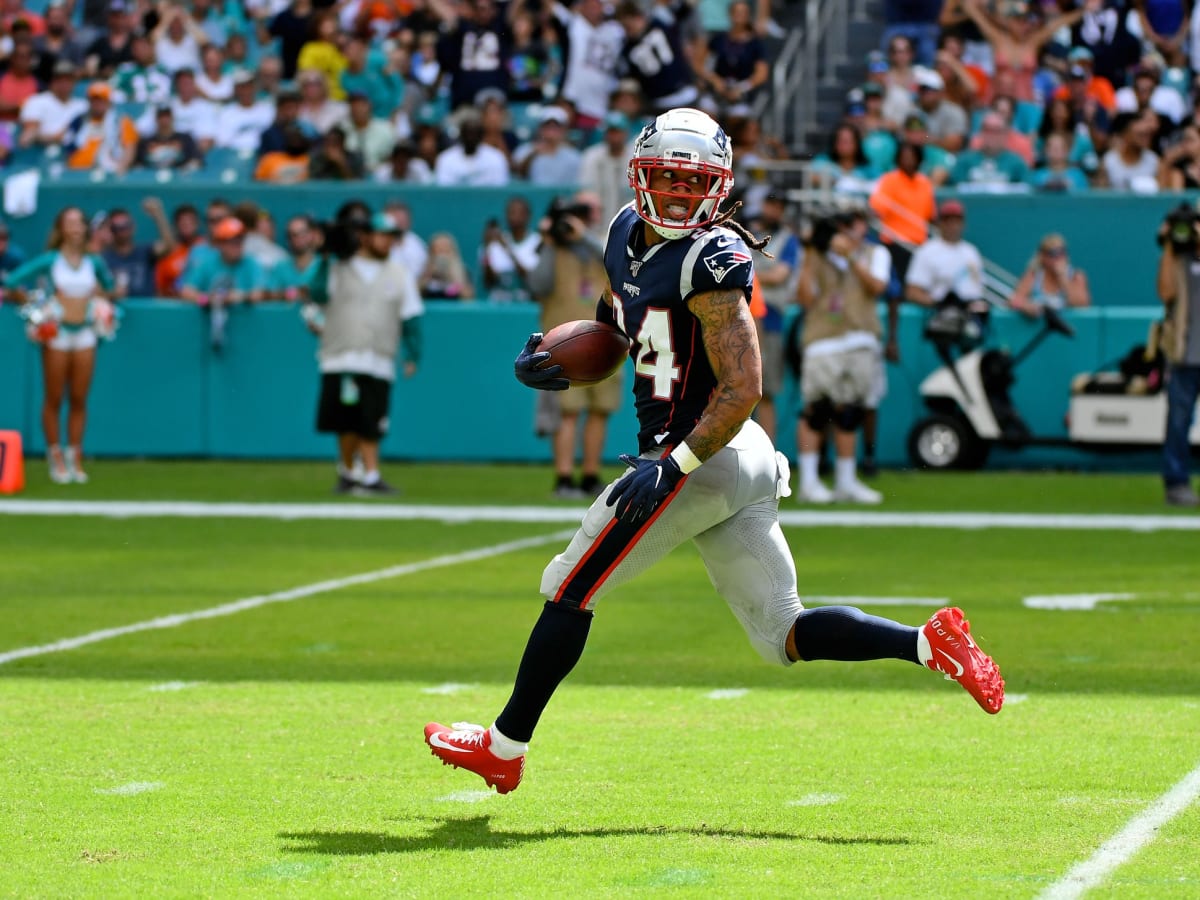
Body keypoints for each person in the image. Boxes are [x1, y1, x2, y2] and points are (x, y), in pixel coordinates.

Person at [423, 108, 1006, 795]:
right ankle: (926, 643)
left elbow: (743, 387)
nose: (674, 195)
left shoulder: (713, 257)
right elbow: (628, 329)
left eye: (689, 181)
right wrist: (560, 357)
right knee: (781, 634)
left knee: (568, 587)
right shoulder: (620, 233)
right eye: (664, 178)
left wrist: (672, 464)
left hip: (700, 456)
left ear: (718, 186)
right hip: (735, 461)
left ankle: (503, 747)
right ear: (641, 176)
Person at [305, 211, 422, 496]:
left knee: (372, 420)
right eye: (382, 235)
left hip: (378, 357)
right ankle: (349, 471)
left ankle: (370, 474)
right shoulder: (339, 267)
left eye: (391, 237)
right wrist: (324, 258)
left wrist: (412, 353)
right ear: (367, 236)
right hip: (341, 355)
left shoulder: (399, 273)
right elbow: (317, 293)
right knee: (345, 422)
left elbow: (411, 317)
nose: (386, 242)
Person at [4, 206, 116, 484]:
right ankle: (54, 454)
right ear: (61, 228)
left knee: (79, 397)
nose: (76, 228)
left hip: (86, 332)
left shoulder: (94, 262)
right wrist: (37, 307)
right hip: (57, 333)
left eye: (80, 222)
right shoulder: (51, 260)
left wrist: (99, 300)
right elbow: (13, 281)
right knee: (54, 397)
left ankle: (74, 454)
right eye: (70, 222)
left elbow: (110, 286)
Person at [526, 192, 622, 498]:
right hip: (563, 345)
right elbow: (536, 285)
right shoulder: (552, 250)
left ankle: (591, 474)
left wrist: (585, 237)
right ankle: (564, 477)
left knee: (600, 410)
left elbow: (618, 265)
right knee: (567, 413)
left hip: (605, 341)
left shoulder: (605, 245)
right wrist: (551, 243)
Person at [794, 209, 890, 505]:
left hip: (861, 339)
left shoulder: (876, 253)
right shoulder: (817, 255)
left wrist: (850, 257)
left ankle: (846, 480)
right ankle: (809, 481)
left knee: (851, 412)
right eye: (842, 226)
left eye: (853, 225)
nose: (847, 231)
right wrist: (811, 250)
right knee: (816, 409)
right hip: (824, 340)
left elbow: (876, 287)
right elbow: (805, 298)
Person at [1154, 206, 1200, 507]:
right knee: (1179, 421)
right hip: (1186, 353)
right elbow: (1165, 292)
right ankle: (1176, 482)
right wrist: (1170, 244)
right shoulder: (1179, 259)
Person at [1008, 233, 1091, 318]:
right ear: (1042, 256)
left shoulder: (1076, 276)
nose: (1058, 257)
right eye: (1053, 253)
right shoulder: (1033, 275)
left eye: (1062, 252)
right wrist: (1025, 306)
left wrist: (1062, 277)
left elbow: (1082, 305)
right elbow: (1013, 300)